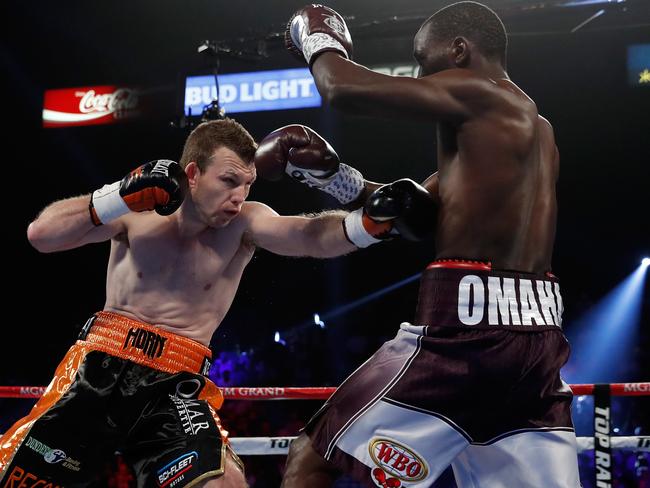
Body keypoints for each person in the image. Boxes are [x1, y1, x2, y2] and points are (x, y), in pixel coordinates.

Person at [0, 118, 433, 487]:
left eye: (247, 184)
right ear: (192, 173)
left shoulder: (246, 222)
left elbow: (308, 236)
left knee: (223, 481)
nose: (238, 196)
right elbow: (41, 235)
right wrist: (114, 195)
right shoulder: (137, 212)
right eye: (228, 181)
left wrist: (366, 225)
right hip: (100, 364)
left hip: (176, 382)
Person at [260, 1, 581, 486]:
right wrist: (330, 176)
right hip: (535, 343)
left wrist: (317, 36)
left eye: (424, 64)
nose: (421, 79)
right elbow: (412, 207)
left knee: (314, 455)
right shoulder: (537, 132)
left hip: (466, 334)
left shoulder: (482, 93)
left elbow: (340, 88)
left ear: (458, 51)